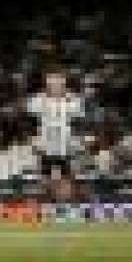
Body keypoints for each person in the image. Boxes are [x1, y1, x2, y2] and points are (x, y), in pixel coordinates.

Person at [27, 71, 84, 202]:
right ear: (47, 85)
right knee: (45, 178)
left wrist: (79, 141)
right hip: (46, 143)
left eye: (59, 83)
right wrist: (34, 140)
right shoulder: (38, 100)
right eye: (52, 83)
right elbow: (30, 120)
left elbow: (79, 120)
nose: (56, 86)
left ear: (64, 84)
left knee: (67, 177)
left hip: (66, 144)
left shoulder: (74, 100)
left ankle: (68, 203)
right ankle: (45, 202)